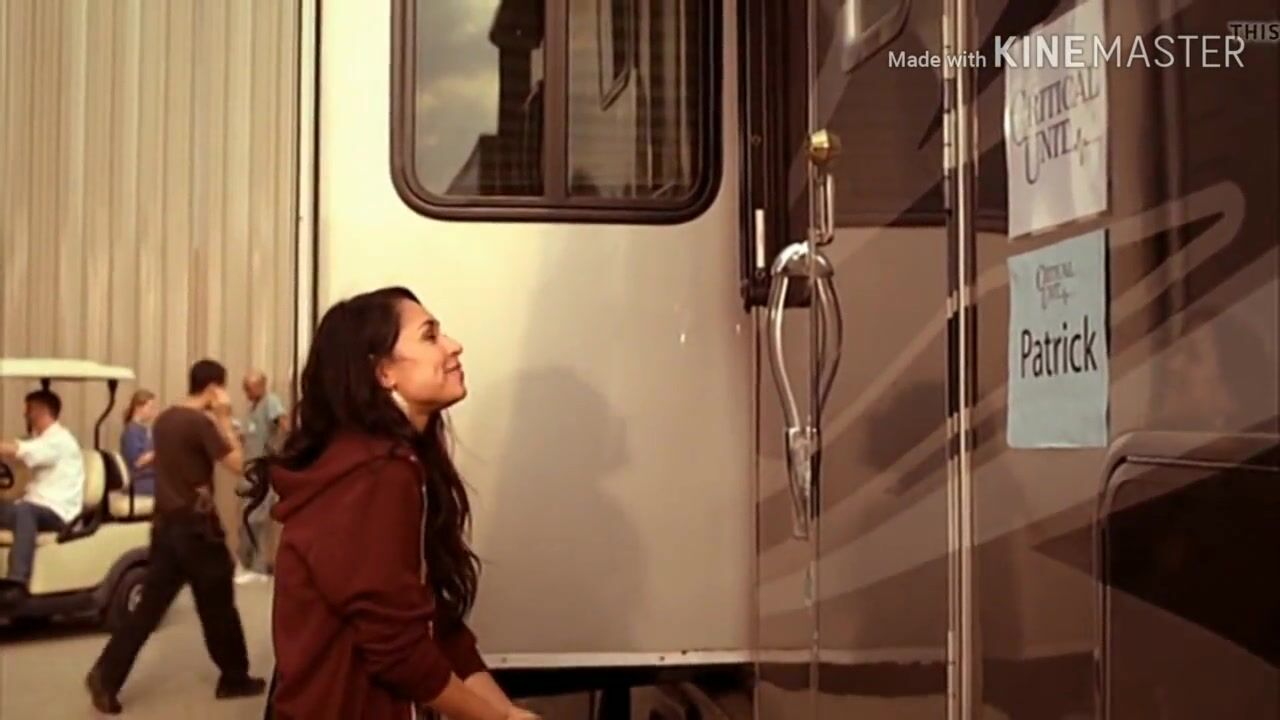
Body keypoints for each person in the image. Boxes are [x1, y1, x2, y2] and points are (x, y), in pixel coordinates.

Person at [243, 287, 536, 720]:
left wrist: (505, 711)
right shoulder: (375, 475)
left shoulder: (392, 461)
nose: (454, 346)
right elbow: (398, 650)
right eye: (430, 336)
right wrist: (502, 719)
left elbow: (433, 623)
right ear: (383, 373)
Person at [86, 359, 267, 714]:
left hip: (166, 526)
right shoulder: (200, 422)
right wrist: (224, 417)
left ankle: (106, 676)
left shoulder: (166, 418)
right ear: (213, 388)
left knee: (148, 610)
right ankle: (234, 678)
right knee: (219, 606)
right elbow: (238, 464)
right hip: (197, 530)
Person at [0, 390, 86, 607]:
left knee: (25, 510)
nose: (24, 414)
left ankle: (17, 582)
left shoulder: (59, 440)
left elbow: (20, 450)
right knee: (21, 508)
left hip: (58, 512)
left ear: (39, 410)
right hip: (35, 507)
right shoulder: (43, 439)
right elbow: (18, 445)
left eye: (27, 409)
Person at [235, 369, 286, 582]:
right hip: (250, 470)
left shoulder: (270, 402)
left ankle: (257, 567)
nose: (246, 392)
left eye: (249, 388)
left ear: (261, 386)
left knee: (257, 518)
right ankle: (246, 563)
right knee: (247, 517)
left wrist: (275, 450)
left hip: (262, 469)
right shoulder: (252, 408)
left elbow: (284, 425)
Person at [119, 389, 158, 495]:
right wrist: (157, 452)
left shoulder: (144, 430)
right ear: (139, 407)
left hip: (151, 477)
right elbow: (137, 462)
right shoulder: (131, 431)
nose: (153, 411)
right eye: (150, 407)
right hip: (139, 480)